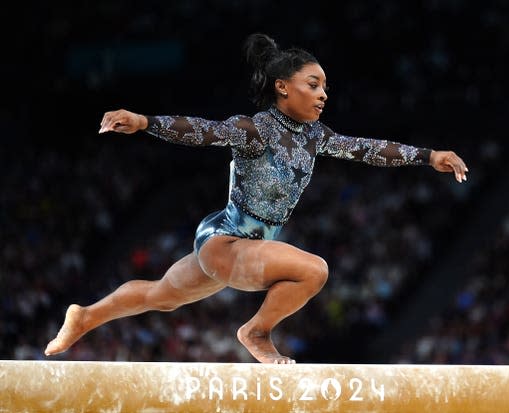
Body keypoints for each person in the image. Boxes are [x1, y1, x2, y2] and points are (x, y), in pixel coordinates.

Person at [45, 33, 468, 364]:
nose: (324, 94)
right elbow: (203, 130)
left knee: (162, 296)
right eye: (313, 84)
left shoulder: (317, 137)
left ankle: (86, 315)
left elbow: (368, 148)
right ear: (283, 87)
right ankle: (257, 332)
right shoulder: (255, 130)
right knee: (313, 271)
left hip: (231, 245)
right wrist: (145, 122)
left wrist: (429, 156)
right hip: (226, 240)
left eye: (326, 87)